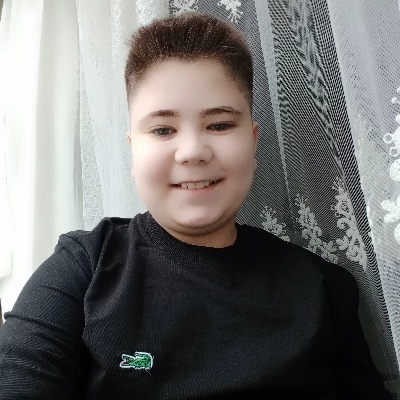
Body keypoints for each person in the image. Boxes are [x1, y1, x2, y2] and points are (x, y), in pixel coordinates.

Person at [0, 10, 393, 400]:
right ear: (133, 150)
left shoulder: (323, 287)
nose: (192, 151)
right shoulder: (83, 269)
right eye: (162, 129)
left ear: (253, 141)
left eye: (219, 124)